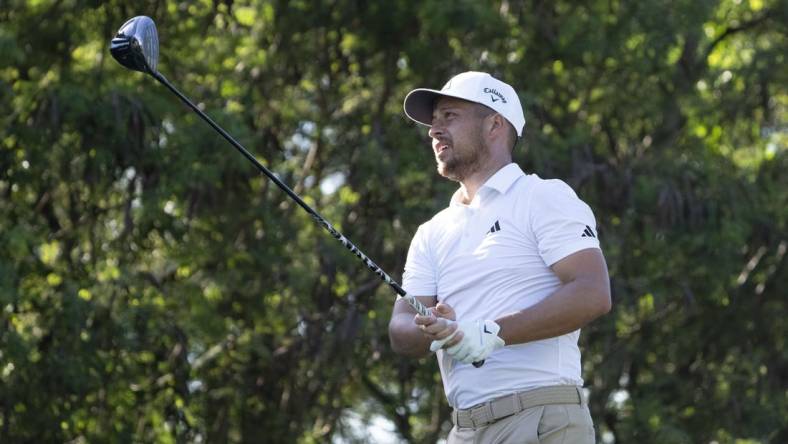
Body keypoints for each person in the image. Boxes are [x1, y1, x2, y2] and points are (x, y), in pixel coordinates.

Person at [388, 71, 612, 443]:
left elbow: (593, 291)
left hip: (542, 417)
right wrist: (433, 328)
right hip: (465, 429)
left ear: (494, 124)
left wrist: (491, 332)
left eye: (450, 117)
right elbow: (401, 328)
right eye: (433, 120)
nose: (434, 130)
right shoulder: (432, 231)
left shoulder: (543, 197)